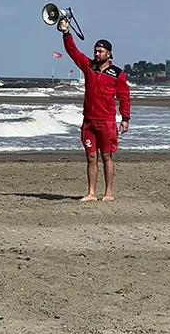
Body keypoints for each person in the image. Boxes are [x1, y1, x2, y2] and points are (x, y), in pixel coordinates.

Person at [59, 18, 131, 202]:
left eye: (100, 51)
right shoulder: (89, 66)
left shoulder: (117, 74)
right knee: (91, 157)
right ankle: (91, 192)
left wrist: (125, 118)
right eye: (95, 51)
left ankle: (108, 192)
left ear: (109, 53)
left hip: (106, 121)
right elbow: (73, 52)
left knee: (107, 156)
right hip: (89, 121)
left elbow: (124, 97)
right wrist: (66, 32)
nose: (97, 54)